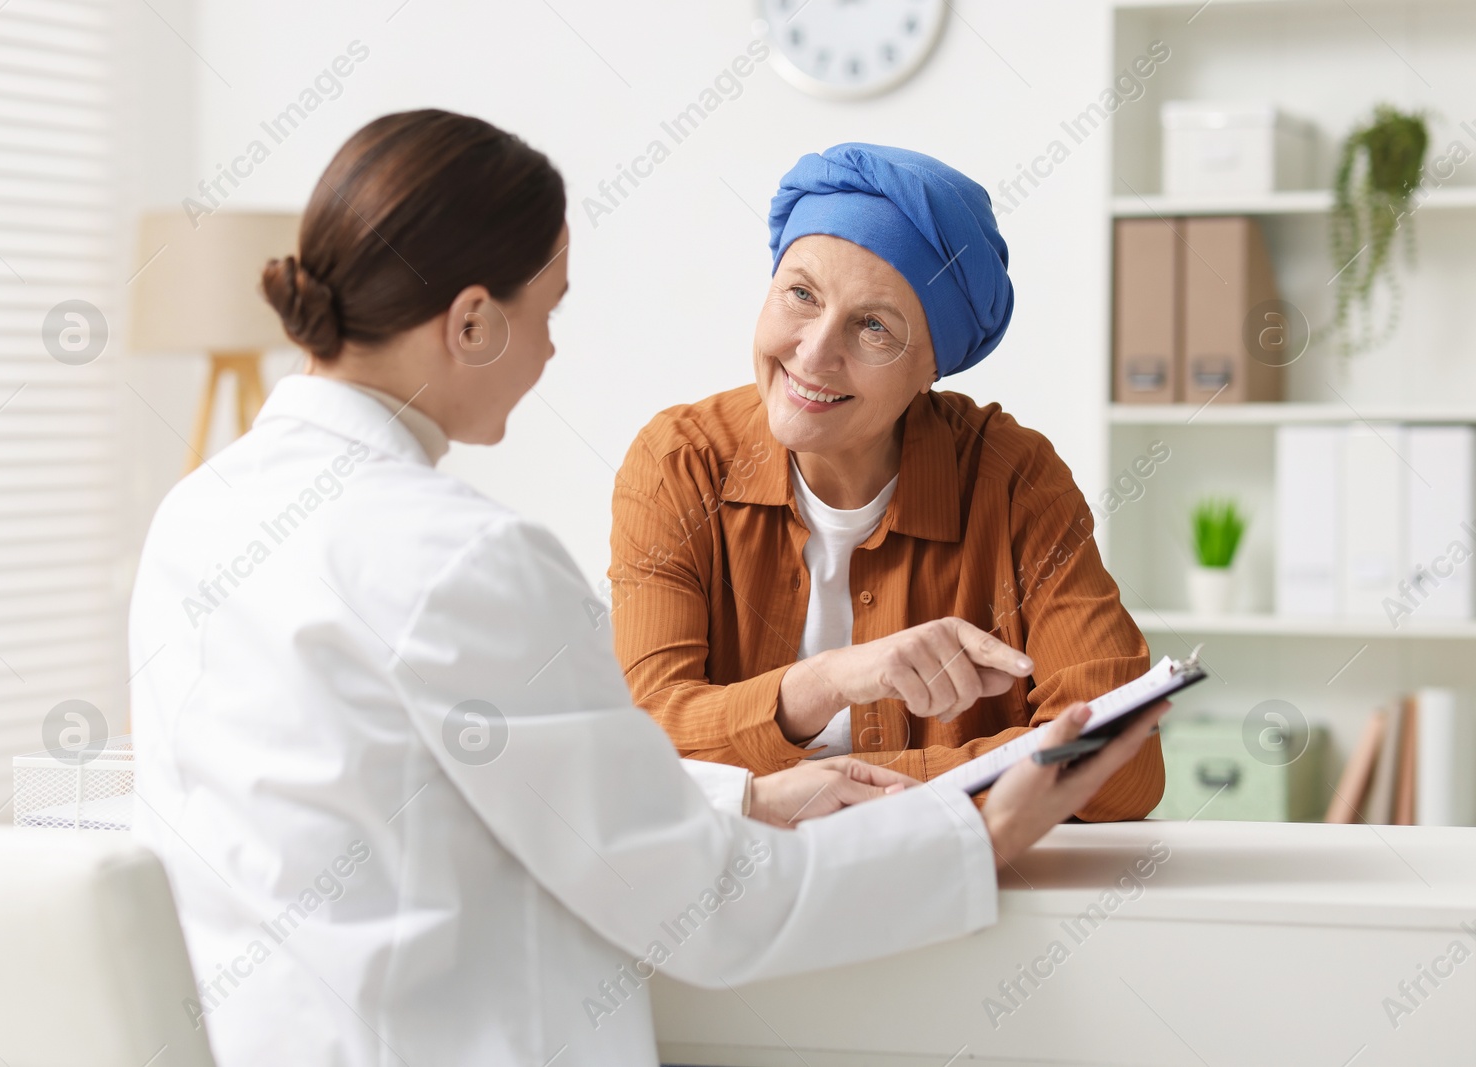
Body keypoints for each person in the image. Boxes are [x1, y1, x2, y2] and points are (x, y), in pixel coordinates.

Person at [128, 111, 1168, 1067]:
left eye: (874, 327)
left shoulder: (196, 515)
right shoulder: (468, 554)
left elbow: (494, 794)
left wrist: (750, 790)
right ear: (474, 321)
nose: (551, 345)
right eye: (551, 310)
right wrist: (976, 832)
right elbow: (699, 903)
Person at [608, 143, 1164, 821]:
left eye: (873, 326)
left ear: (933, 366)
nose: (812, 353)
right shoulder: (681, 461)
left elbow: (1120, 763)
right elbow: (642, 745)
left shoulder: (1015, 481)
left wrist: (816, 793)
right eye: (801, 294)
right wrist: (832, 679)